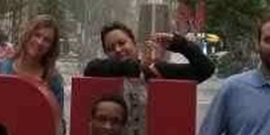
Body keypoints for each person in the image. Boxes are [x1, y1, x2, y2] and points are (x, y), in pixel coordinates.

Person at [0, 16, 65, 135]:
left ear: (51, 47)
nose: (40, 42)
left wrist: (45, 104)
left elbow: (60, 129)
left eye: (47, 40)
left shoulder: (53, 80)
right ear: (27, 34)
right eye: (37, 35)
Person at [83, 23, 215, 83]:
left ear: (134, 43)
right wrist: (140, 67)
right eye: (111, 48)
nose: (118, 50)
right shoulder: (100, 71)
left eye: (122, 43)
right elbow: (90, 68)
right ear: (106, 53)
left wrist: (180, 44)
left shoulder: (159, 70)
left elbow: (205, 69)